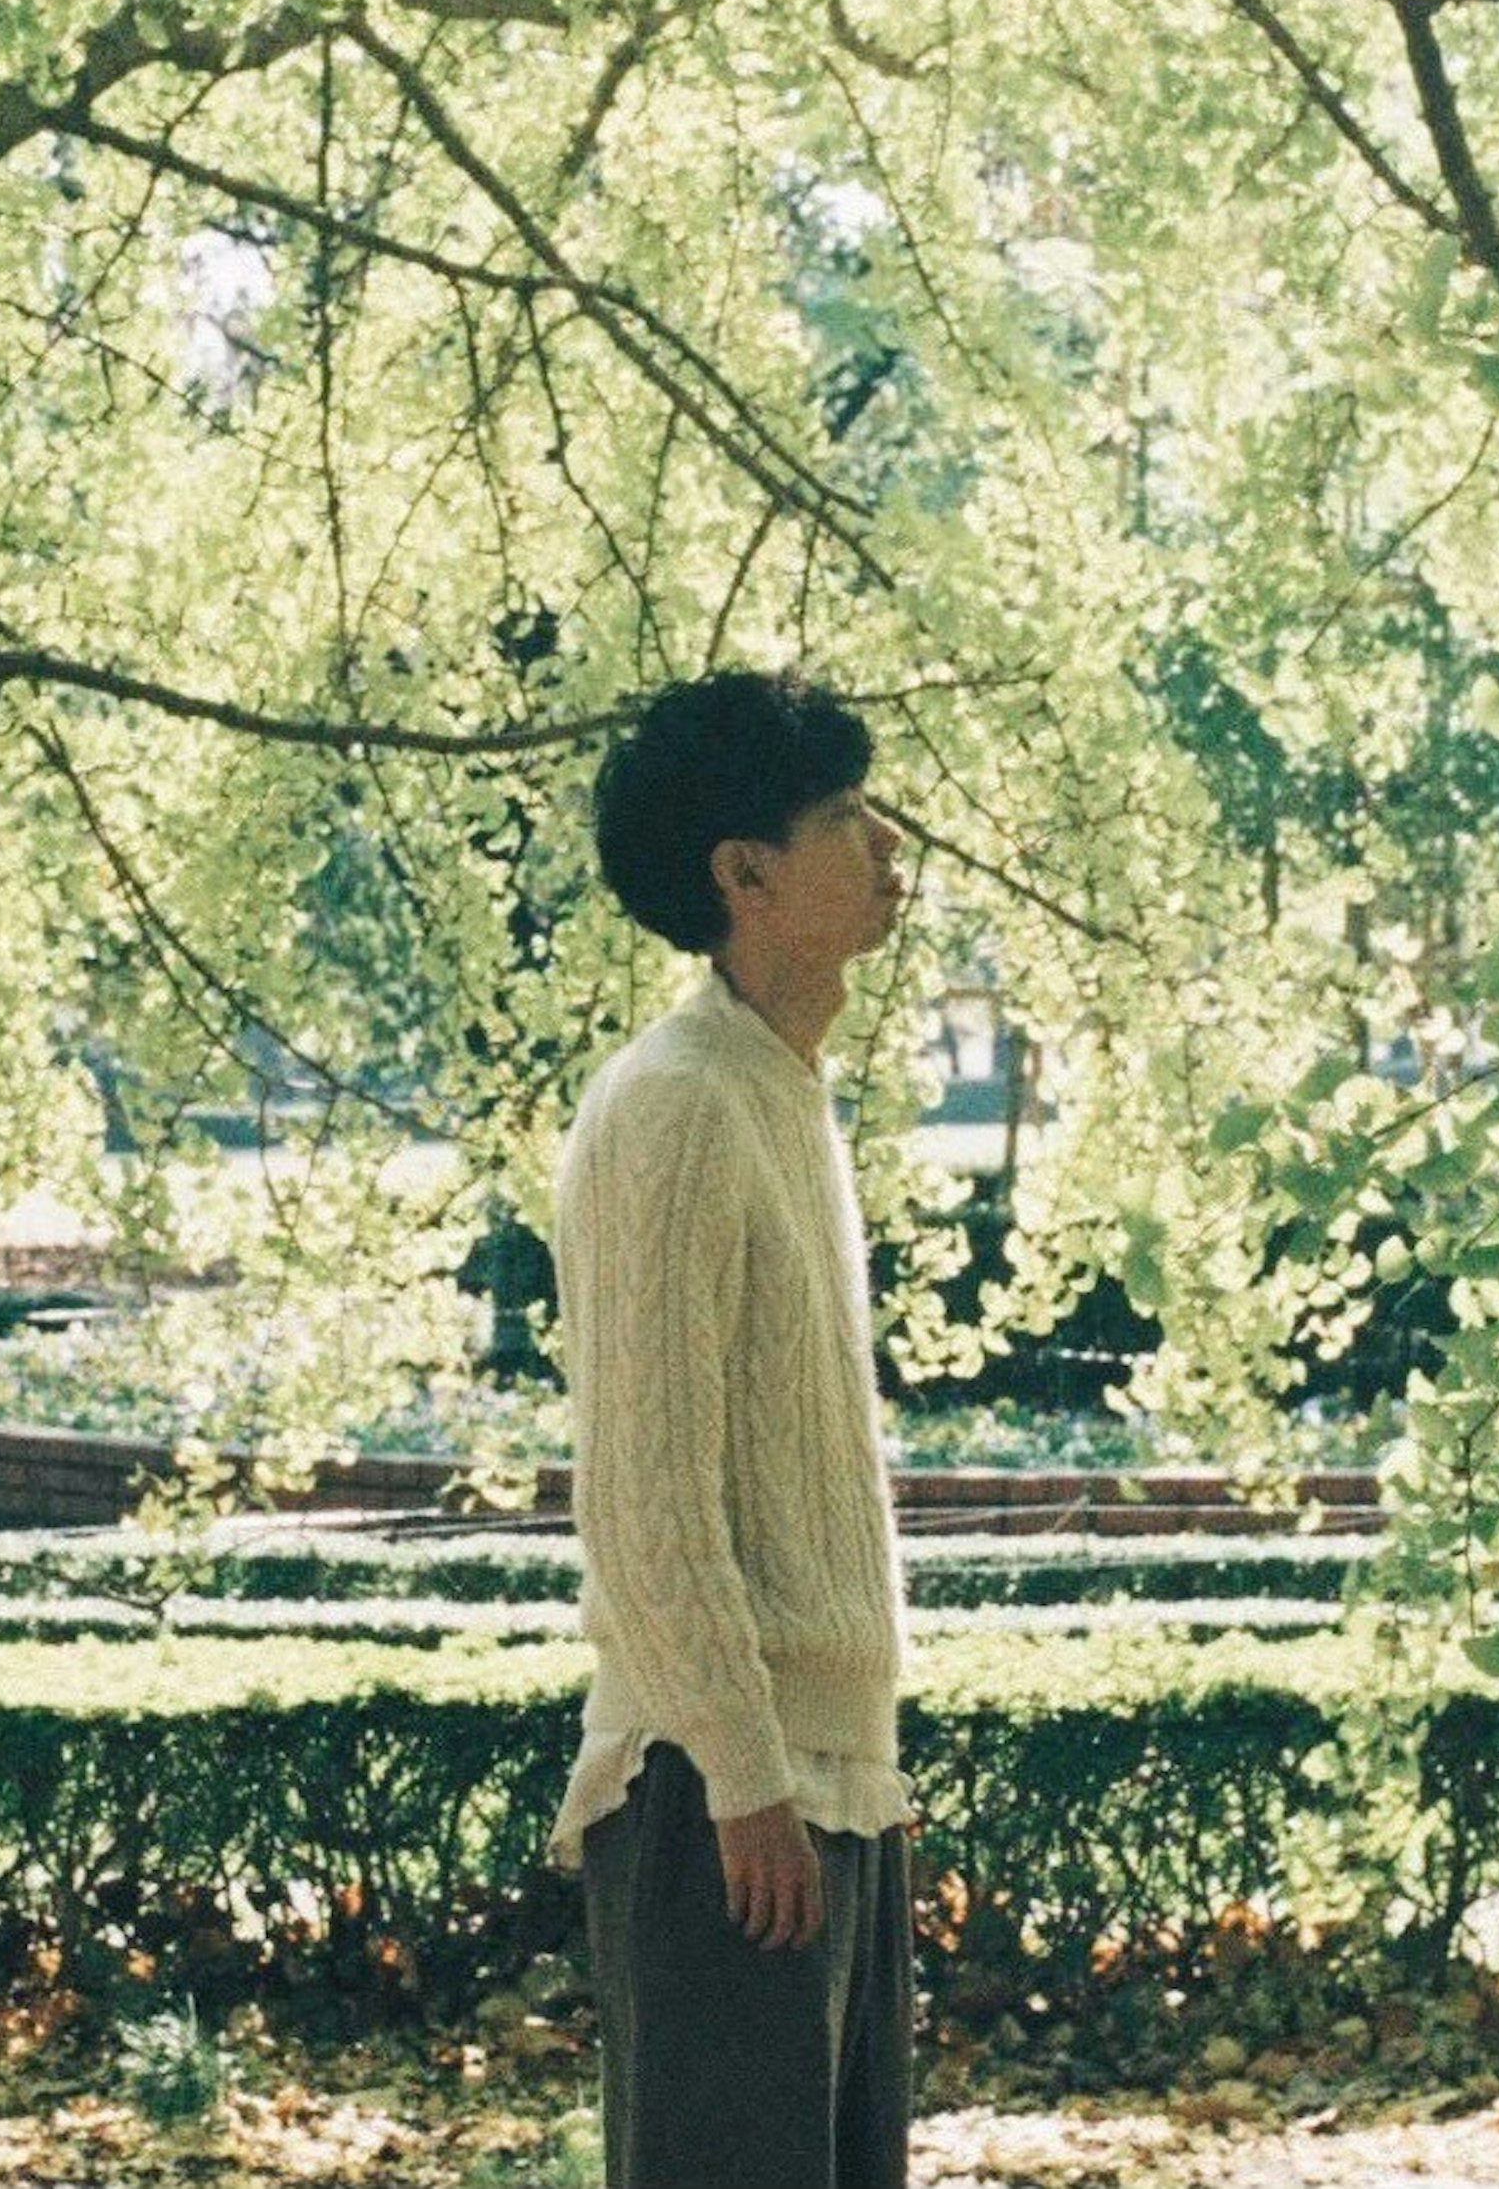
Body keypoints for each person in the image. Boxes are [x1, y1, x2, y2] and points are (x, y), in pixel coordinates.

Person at [546, 668, 920, 2189]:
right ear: (744, 874)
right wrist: (747, 1776)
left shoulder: (779, 1089)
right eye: (843, 817)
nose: (891, 840)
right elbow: (645, 1496)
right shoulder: (680, 1104)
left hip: (830, 1781)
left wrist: (825, 1783)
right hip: (723, 1802)